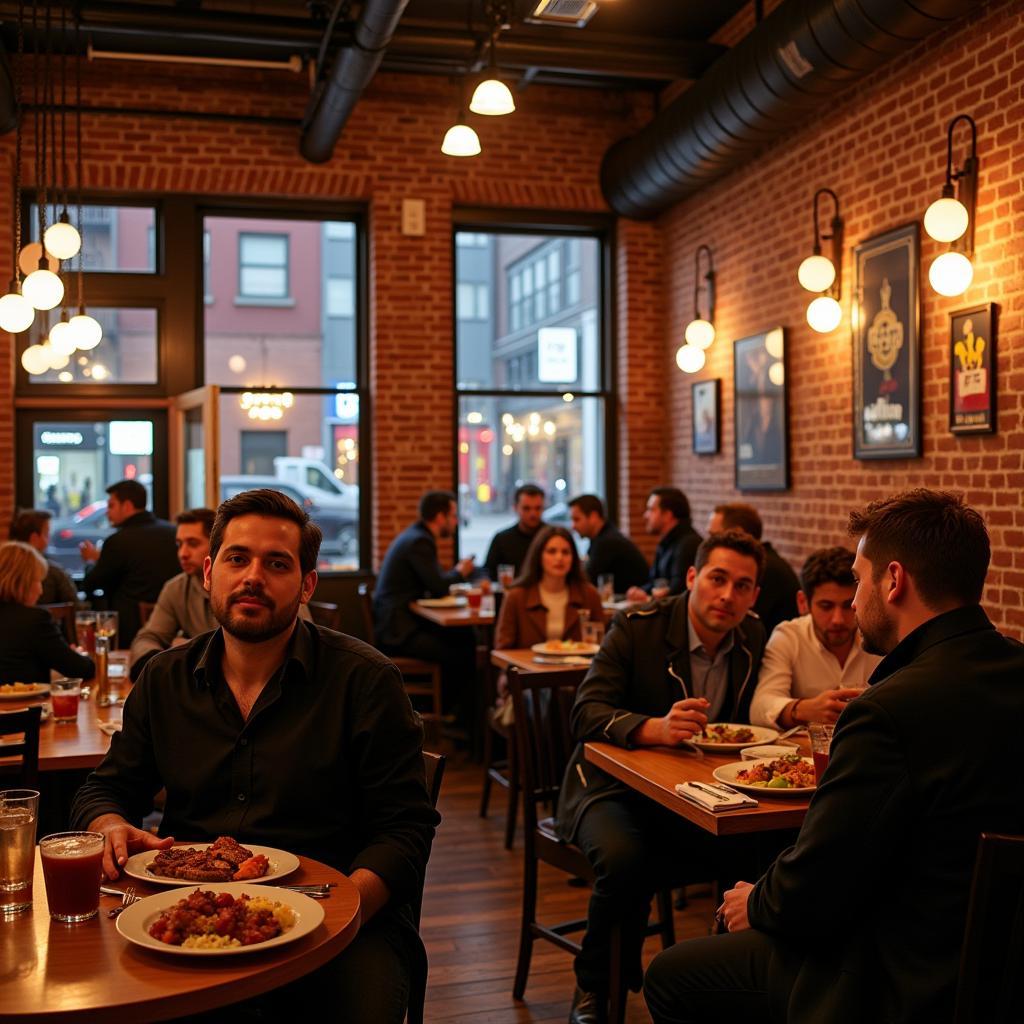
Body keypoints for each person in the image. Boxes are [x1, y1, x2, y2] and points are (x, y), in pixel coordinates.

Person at [644, 489, 1024, 1024]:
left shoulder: (886, 711)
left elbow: (818, 884)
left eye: (859, 578)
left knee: (671, 974)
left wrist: (752, 901)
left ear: (893, 581)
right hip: (1001, 965)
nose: (853, 598)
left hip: (902, 976)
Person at [70, 489, 438, 1023]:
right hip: (187, 911)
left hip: (339, 918)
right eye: (238, 559)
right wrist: (108, 825)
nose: (252, 577)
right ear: (208, 572)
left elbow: (405, 830)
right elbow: (105, 788)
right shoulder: (164, 679)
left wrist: (342, 911)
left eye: (277, 563)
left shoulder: (366, 681)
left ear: (307, 584)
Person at [557, 530, 767, 1024]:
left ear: (755, 595)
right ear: (692, 577)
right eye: (717, 579)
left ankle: (725, 982)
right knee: (628, 860)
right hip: (607, 788)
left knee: (765, 851)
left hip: (696, 793)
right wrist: (654, 727)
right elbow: (584, 713)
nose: (727, 596)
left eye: (742, 586)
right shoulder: (637, 625)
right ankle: (595, 988)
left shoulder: (754, 636)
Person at [750, 546, 881, 729]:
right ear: (803, 603)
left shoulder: (879, 639)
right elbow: (759, 707)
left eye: (847, 606)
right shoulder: (789, 636)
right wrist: (802, 710)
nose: (838, 620)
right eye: (826, 606)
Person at [373, 490, 477, 718]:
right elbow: (439, 585)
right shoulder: (420, 541)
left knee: (466, 638)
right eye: (453, 516)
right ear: (440, 517)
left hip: (399, 624)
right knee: (465, 651)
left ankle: (454, 712)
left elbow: (431, 584)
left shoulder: (415, 536)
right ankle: (453, 714)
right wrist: (460, 572)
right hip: (398, 632)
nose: (456, 522)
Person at [79, 480, 180, 645]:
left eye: (111, 506)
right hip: (174, 626)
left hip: (130, 631)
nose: (107, 512)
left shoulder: (118, 541)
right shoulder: (173, 532)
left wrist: (91, 561)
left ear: (126, 506)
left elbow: (92, 583)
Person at [127, 508, 219, 681]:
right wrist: (158, 668)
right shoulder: (176, 587)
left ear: (216, 546)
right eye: (179, 544)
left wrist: (185, 648)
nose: (182, 553)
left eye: (192, 543)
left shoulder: (235, 586)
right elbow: (148, 637)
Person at [495, 525, 605, 651]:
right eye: (551, 551)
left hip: (577, 669)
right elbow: (502, 651)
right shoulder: (516, 597)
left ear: (573, 558)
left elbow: (602, 647)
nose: (559, 558)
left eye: (566, 552)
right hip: (529, 669)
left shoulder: (590, 595)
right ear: (538, 556)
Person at [0, 541, 94, 684]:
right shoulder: (34, 620)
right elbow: (80, 669)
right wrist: (81, 656)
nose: (40, 591)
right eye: (37, 581)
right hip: (23, 704)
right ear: (22, 582)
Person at [708, 502, 799, 635]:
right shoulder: (765, 560)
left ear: (737, 532)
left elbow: (741, 627)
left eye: (714, 536)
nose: (709, 543)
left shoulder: (765, 569)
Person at [624, 487, 702, 602]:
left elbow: (680, 590)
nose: (646, 515)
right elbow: (655, 582)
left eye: (651, 510)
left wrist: (648, 597)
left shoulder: (688, 544)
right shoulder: (666, 542)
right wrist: (640, 591)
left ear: (667, 515)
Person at [568, 494, 649, 595]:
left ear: (593, 516)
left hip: (634, 605)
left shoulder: (607, 542)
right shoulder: (602, 537)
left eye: (576, 519)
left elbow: (585, 581)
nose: (573, 526)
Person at [8, 508, 79, 607]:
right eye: (46, 534)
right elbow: (74, 607)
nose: (48, 540)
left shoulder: (4, 569)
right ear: (34, 538)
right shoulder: (52, 572)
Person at [483, 483, 545, 580]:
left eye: (538, 508)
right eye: (526, 508)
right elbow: (487, 574)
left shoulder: (553, 538)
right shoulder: (502, 540)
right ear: (515, 508)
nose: (533, 514)